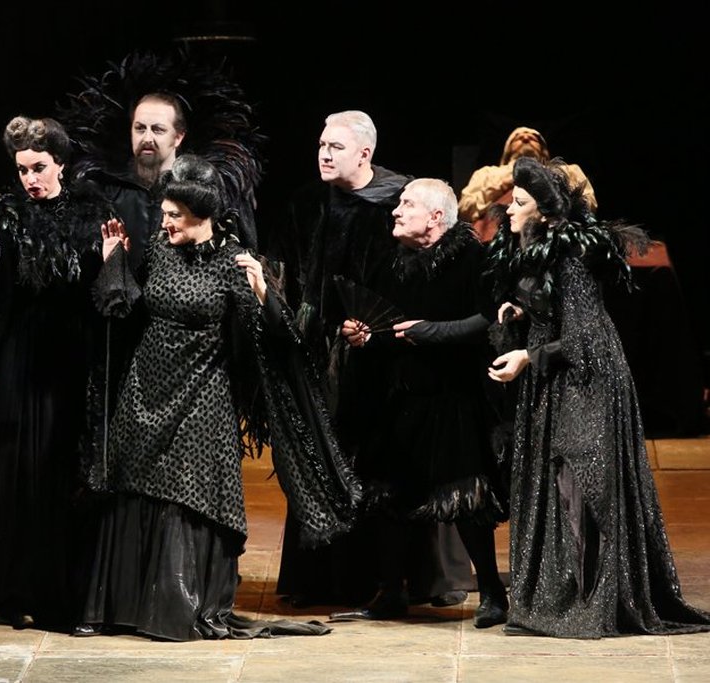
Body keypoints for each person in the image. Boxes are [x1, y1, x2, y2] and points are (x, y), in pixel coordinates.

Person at [77, 155, 361, 641]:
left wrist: (264, 293)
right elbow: (126, 310)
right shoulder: (160, 249)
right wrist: (114, 263)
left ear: (200, 214)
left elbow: (279, 340)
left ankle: (173, 609)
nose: (164, 223)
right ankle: (119, 608)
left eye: (174, 215)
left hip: (203, 396)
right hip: (146, 388)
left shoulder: (235, 262)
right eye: (164, 213)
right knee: (134, 488)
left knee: (186, 494)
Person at [487, 157, 710, 638]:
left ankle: (592, 599)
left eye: (519, 202)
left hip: (585, 378)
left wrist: (527, 356)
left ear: (544, 211)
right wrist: (522, 311)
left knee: (581, 479)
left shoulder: (570, 254)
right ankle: (559, 595)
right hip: (553, 375)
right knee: (551, 480)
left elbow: (586, 337)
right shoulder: (536, 247)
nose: (509, 209)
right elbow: (552, 307)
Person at [272, 111, 474, 609]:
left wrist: (392, 332)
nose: (324, 154)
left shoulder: (398, 200)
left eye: (335, 147)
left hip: (389, 352)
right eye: (321, 144)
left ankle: (421, 577)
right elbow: (290, 274)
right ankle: (322, 578)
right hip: (322, 352)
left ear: (365, 153)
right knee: (325, 453)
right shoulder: (307, 202)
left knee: (398, 463)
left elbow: (428, 266)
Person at [329, 179, 509, 628]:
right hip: (399, 394)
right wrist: (362, 336)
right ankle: (392, 591)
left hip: (454, 395)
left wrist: (433, 332)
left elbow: (488, 321)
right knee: (387, 493)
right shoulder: (392, 262)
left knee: (465, 496)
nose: (396, 211)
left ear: (435, 217)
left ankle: (492, 592)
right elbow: (383, 327)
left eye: (407, 204)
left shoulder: (472, 259)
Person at [0, 116, 112, 631]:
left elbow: (101, 286)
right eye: (22, 170)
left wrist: (108, 260)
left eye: (38, 167)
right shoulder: (8, 213)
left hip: (72, 353)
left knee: (63, 469)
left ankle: (63, 598)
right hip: (22, 352)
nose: (29, 178)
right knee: (19, 473)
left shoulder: (91, 210)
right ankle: (17, 593)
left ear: (60, 164)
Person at [58, 49, 264, 264]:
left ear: (178, 136)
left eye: (158, 130)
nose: (147, 138)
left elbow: (242, 257)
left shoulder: (206, 190)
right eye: (140, 128)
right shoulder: (104, 189)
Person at [458, 126, 596, 241]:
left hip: (557, 238)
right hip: (492, 241)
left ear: (543, 148)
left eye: (533, 139)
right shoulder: (486, 173)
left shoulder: (568, 171)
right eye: (518, 138)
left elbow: (587, 204)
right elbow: (465, 208)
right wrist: (502, 183)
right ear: (508, 148)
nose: (525, 139)